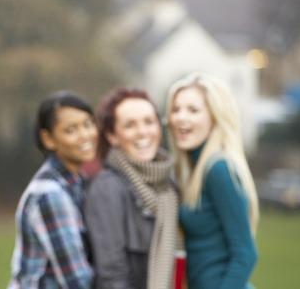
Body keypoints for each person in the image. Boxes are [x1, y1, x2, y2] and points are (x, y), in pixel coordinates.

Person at [166, 73, 258, 289]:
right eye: (176, 109)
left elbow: (245, 254)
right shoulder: (193, 169)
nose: (180, 117)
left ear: (215, 117)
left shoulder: (218, 169)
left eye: (193, 110)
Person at [84, 88, 179, 289]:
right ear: (112, 136)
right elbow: (112, 277)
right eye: (130, 125)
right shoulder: (107, 188)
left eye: (149, 122)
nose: (143, 132)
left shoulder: (169, 187)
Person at [9, 91, 97, 289]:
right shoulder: (50, 193)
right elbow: (76, 280)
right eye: (71, 130)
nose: (85, 135)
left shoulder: (78, 182)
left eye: (88, 124)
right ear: (48, 139)